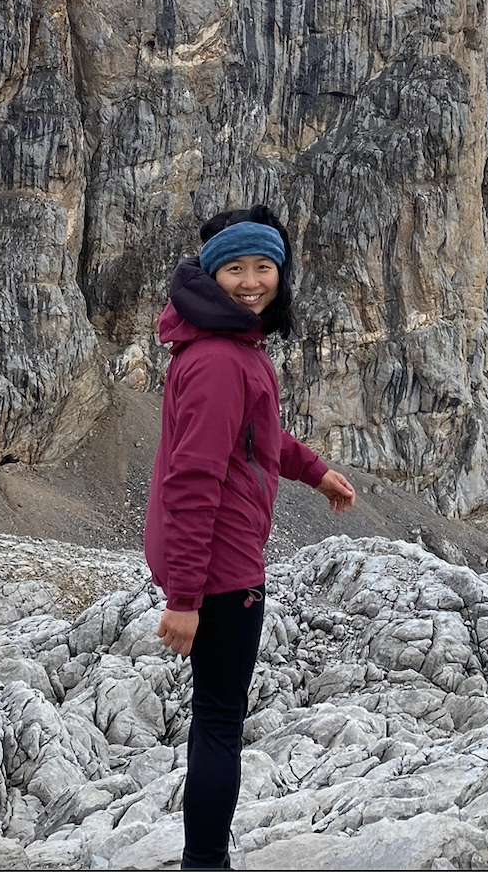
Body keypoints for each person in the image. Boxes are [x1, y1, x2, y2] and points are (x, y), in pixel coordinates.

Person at [143, 205, 356, 870]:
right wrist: (185, 599)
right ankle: (206, 863)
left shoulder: (230, 347)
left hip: (217, 562)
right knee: (218, 723)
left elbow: (256, 437)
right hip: (222, 569)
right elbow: (193, 481)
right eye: (235, 267)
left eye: (264, 266)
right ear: (212, 274)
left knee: (214, 718)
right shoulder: (218, 360)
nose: (252, 280)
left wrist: (314, 471)